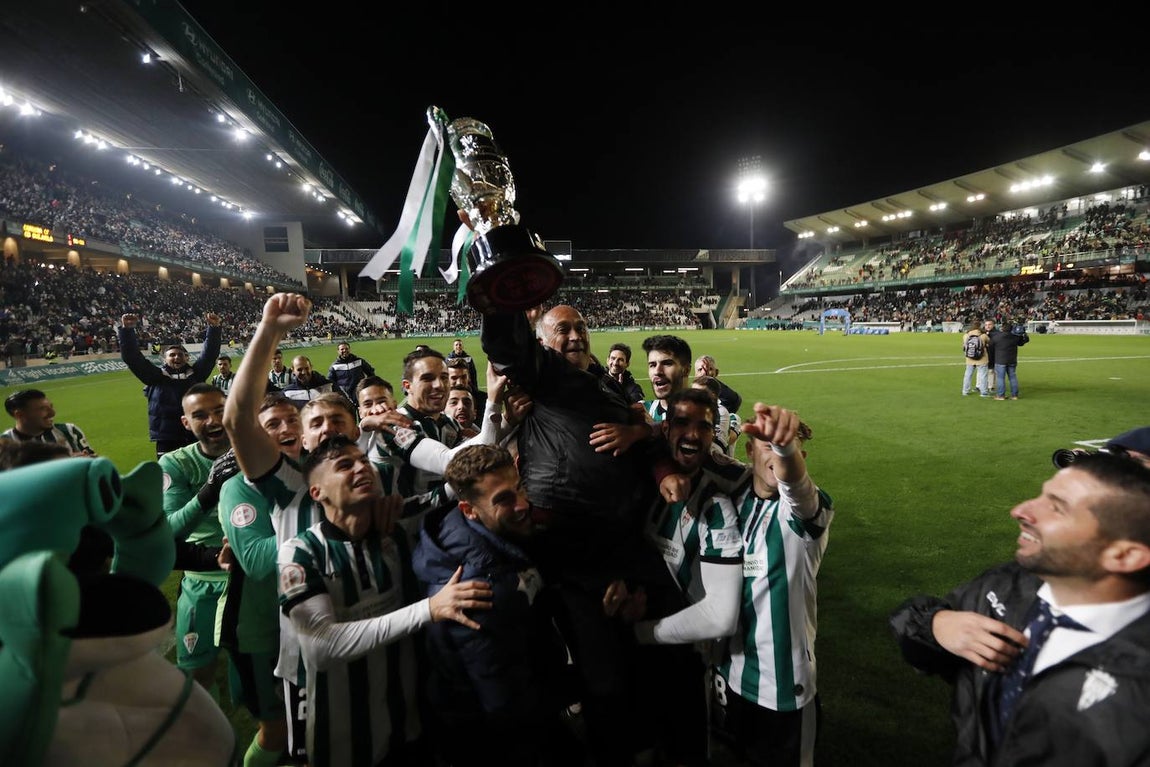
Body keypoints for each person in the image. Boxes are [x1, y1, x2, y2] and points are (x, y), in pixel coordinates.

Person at [481, 301, 695, 767]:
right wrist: (503, 293)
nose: (576, 335)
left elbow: (642, 438)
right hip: (572, 548)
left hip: (620, 544)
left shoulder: (604, 384)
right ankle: (612, 747)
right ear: (542, 342)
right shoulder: (548, 377)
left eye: (581, 327)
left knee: (639, 655)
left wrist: (649, 452)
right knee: (602, 672)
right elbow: (505, 346)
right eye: (563, 330)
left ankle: (645, 740)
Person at [889, 452, 1150, 767]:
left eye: (1057, 507)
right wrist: (935, 624)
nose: (1020, 511)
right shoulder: (1007, 583)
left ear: (1124, 556)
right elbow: (915, 637)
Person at [278, 434, 494, 767]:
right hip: (344, 738)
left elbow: (460, 484)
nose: (361, 467)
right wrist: (429, 609)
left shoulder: (397, 526)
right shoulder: (300, 552)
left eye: (363, 460)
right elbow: (321, 647)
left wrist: (496, 409)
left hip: (411, 723)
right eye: (344, 465)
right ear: (317, 492)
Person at [411, 444, 577, 767]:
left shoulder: (486, 536)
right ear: (468, 510)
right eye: (503, 499)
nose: (522, 504)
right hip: (494, 740)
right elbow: (505, 704)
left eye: (519, 488)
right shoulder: (478, 588)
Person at [714, 404, 834, 767]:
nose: (776, 454)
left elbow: (798, 489)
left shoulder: (804, 515)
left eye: (786, 447)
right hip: (730, 677)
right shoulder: (732, 500)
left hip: (783, 692)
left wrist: (784, 450)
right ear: (749, 451)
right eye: (766, 445)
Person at [158, 382, 241, 696]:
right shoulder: (175, 463)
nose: (213, 421)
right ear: (186, 423)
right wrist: (209, 490)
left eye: (220, 411)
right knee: (196, 681)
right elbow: (168, 530)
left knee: (254, 679)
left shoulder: (256, 450)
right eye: (200, 415)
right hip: (202, 581)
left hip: (252, 578)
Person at [118, 311, 222, 458]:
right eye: (172, 355)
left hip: (194, 433)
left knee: (201, 474)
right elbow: (132, 357)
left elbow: (210, 353)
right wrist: (127, 330)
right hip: (166, 437)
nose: (176, 357)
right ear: (164, 359)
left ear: (186, 358)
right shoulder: (155, 377)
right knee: (170, 476)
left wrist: (214, 328)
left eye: (180, 354)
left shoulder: (196, 374)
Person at [2, 388, 97, 456]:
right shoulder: (4, 444)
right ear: (19, 415)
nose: (52, 413)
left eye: (51, 407)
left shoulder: (68, 430)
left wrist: (86, 459)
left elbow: (93, 460)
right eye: (42, 409)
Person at [643, 334, 694, 422]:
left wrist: (653, 429)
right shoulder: (643, 412)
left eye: (667, 363)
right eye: (652, 365)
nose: (657, 371)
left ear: (686, 370)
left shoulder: (707, 413)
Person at [989, 322, 1030, 400]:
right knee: (1012, 377)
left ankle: (1001, 395)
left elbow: (990, 345)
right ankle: (1014, 395)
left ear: (1002, 328)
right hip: (1012, 360)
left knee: (1001, 378)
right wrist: (1024, 335)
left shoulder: (997, 337)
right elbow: (1022, 343)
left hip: (1000, 360)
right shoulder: (1015, 337)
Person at [961, 321, 990, 397]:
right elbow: (989, 343)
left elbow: (964, 347)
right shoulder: (983, 335)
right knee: (983, 375)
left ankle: (965, 391)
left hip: (970, 358)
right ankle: (983, 392)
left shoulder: (966, 335)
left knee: (968, 375)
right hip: (982, 358)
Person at [983, 319, 999, 394]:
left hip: (993, 354)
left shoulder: (997, 333)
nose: (987, 326)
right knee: (981, 371)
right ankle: (979, 385)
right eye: (986, 325)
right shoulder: (982, 333)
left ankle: (991, 386)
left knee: (991, 371)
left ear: (993, 325)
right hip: (982, 355)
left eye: (989, 324)